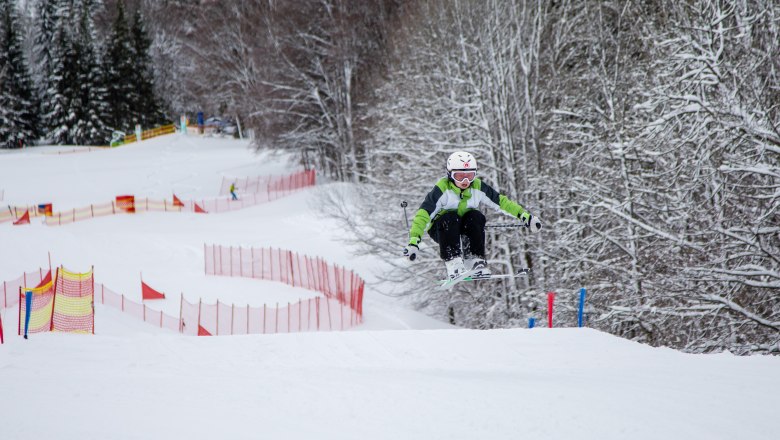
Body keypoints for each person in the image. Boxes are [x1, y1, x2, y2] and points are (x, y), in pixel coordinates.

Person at [403, 151, 542, 280]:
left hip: (464, 228)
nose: (465, 181)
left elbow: (501, 202)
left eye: (470, 176)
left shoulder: (477, 186)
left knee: (476, 216)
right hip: (442, 229)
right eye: (459, 176)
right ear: (450, 175)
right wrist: (414, 241)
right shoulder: (442, 188)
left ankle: (474, 260)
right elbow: (423, 214)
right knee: (450, 216)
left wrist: (524, 216)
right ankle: (453, 263)